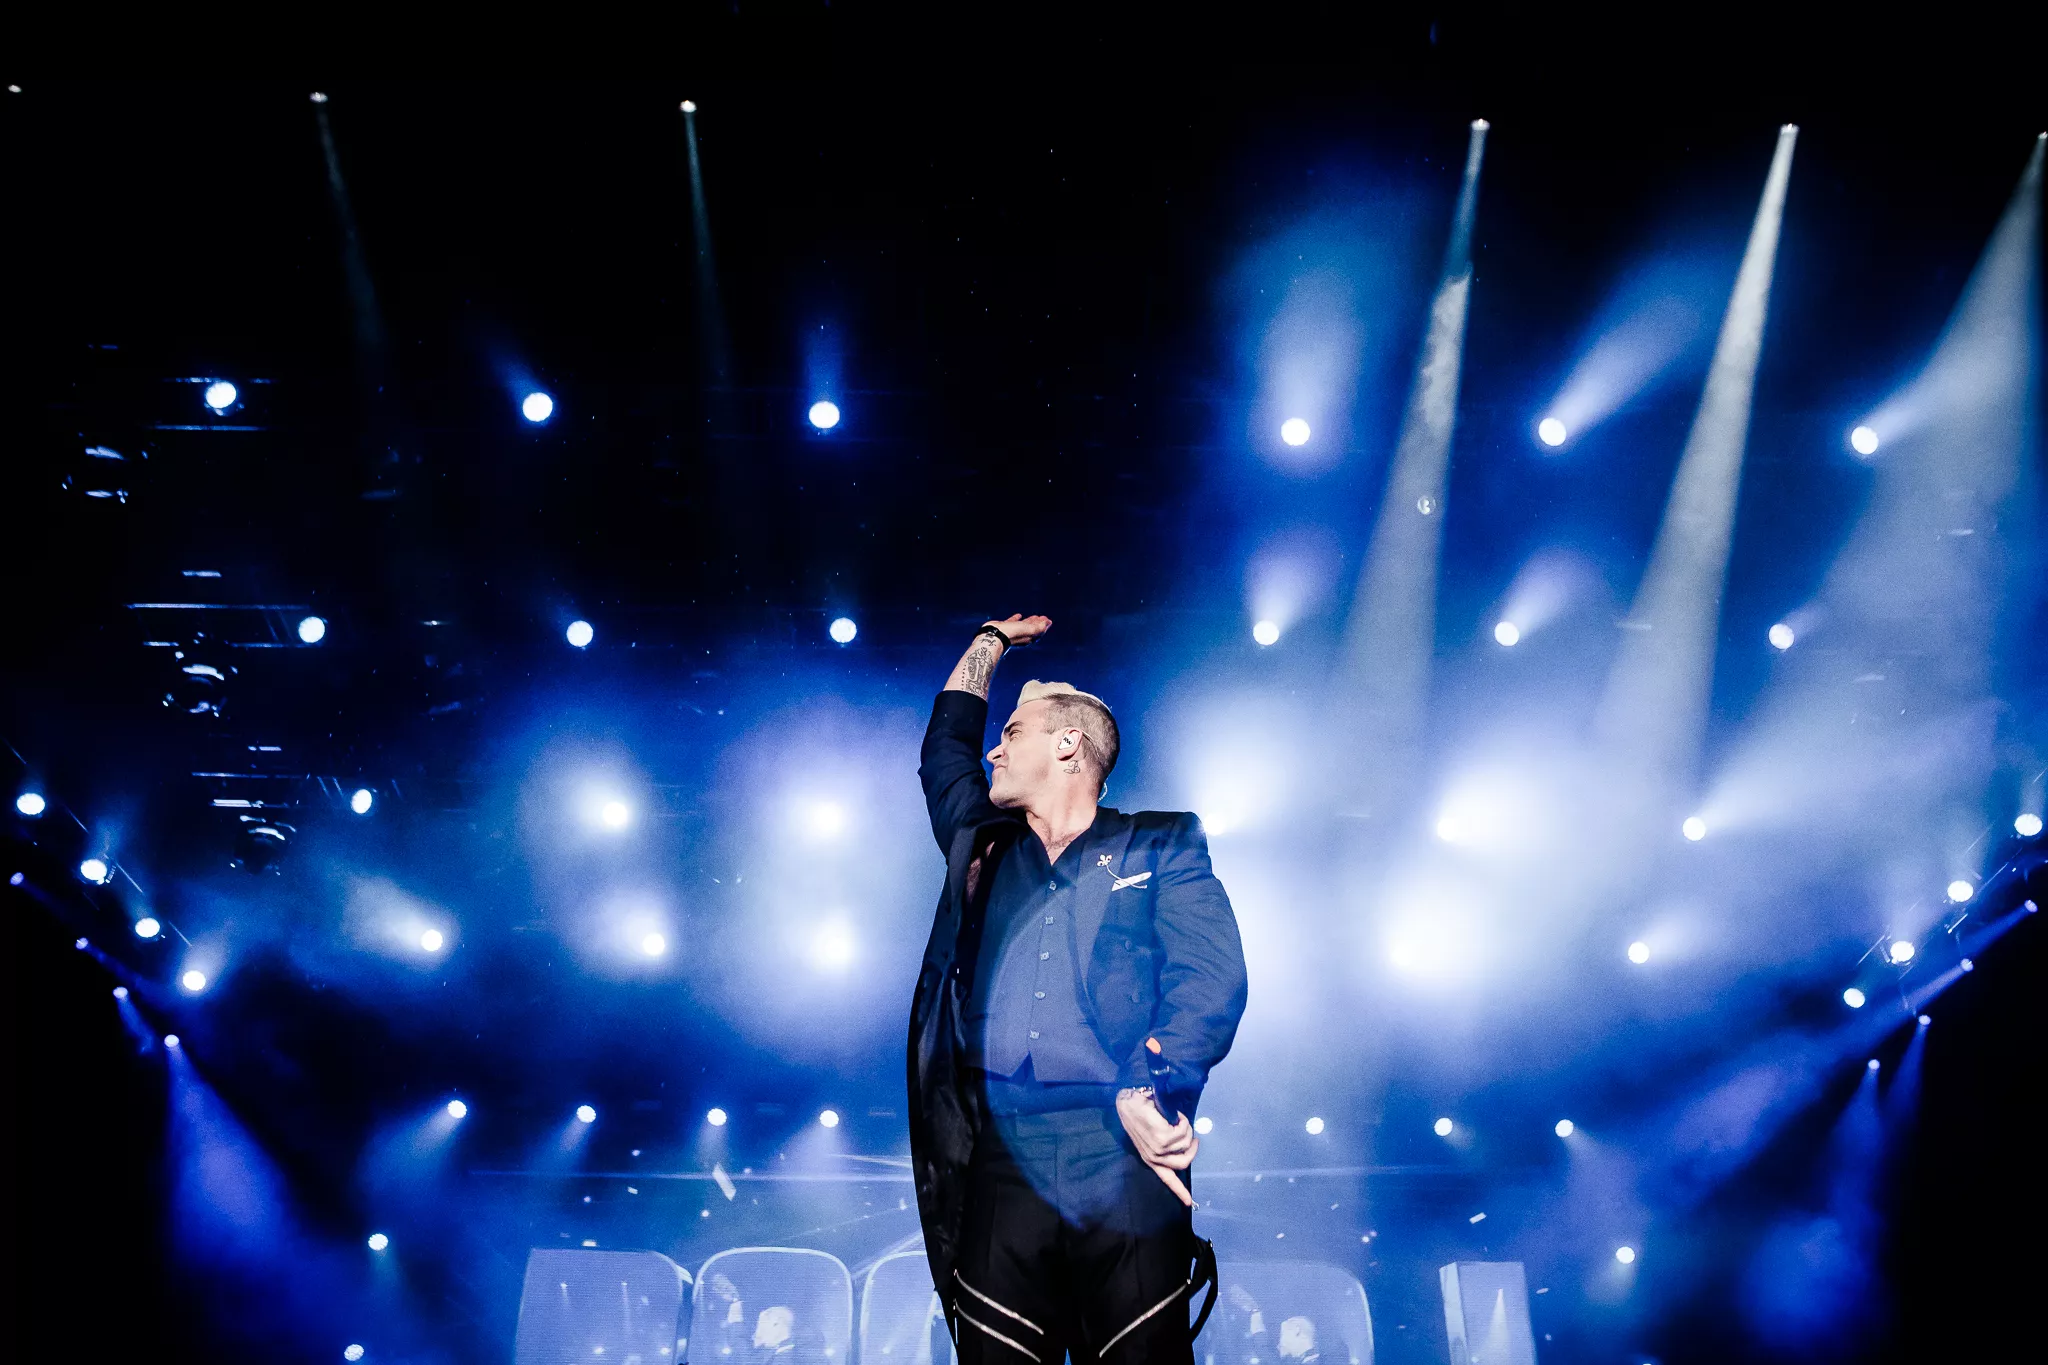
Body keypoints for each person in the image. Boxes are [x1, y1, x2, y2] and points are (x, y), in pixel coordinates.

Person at [909, 613, 1249, 1365]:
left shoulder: (1160, 842)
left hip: (1119, 1150)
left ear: (1068, 745)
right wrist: (989, 642)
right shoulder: (985, 846)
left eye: (1013, 732)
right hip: (1000, 1160)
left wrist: (1152, 1081)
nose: (995, 748)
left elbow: (1210, 974)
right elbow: (946, 753)